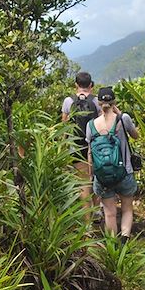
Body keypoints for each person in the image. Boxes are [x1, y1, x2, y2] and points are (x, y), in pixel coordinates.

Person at [87, 86, 139, 240]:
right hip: (125, 172)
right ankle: (124, 238)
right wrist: (121, 114)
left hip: (102, 176)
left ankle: (112, 247)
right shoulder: (123, 119)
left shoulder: (91, 125)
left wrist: (92, 175)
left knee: (109, 213)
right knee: (127, 209)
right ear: (114, 102)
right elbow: (135, 135)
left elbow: (90, 153)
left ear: (98, 102)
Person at [61, 71, 101, 210]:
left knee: (83, 182)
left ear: (76, 85)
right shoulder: (96, 101)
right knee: (97, 178)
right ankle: (97, 211)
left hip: (76, 147)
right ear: (90, 85)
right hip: (95, 145)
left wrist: (63, 147)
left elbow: (64, 126)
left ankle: (86, 219)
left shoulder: (68, 101)